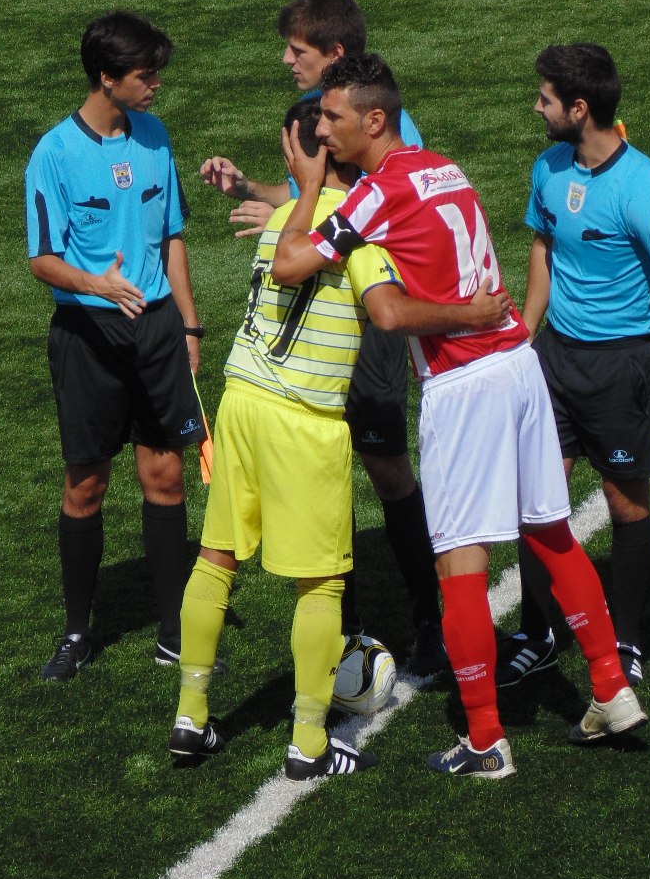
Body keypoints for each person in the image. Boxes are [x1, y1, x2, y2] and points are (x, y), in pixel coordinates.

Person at [273, 54, 648, 779]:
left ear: (373, 120)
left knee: (459, 564)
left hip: (464, 382)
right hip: (518, 367)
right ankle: (609, 687)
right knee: (550, 531)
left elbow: (291, 264)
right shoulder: (443, 167)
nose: (320, 130)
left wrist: (309, 187)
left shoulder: (377, 193)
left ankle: (484, 740)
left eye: (332, 117)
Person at [170, 98, 510, 780]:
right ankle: (308, 742)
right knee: (322, 583)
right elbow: (388, 313)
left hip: (241, 399)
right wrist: (470, 313)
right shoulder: (360, 235)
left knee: (215, 557)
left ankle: (190, 716)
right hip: (307, 419)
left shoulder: (281, 226)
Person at [200, 0, 446, 674]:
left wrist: (301, 224)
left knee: (385, 469)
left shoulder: (375, 124)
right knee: (326, 473)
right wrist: (255, 192)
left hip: (366, 318)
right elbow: (322, 195)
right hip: (315, 321)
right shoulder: (324, 116)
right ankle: (345, 632)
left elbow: (372, 211)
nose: (287, 60)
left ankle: (429, 624)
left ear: (335, 53)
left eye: (297, 50)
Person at [496, 43, 650, 689]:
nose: (536, 107)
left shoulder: (641, 188)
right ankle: (538, 633)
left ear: (579, 108)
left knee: (624, 502)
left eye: (545, 99)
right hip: (555, 359)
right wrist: (525, 336)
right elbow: (543, 246)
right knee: (538, 499)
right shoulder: (549, 166)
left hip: (621, 366)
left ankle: (627, 640)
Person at [26, 10, 206, 681]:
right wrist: (95, 283)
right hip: (89, 336)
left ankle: (173, 631)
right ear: (107, 78)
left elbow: (172, 237)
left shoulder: (155, 136)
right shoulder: (53, 154)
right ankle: (77, 632)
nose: (155, 85)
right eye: (145, 75)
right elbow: (42, 259)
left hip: (156, 330)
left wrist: (188, 326)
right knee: (86, 484)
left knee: (165, 475)